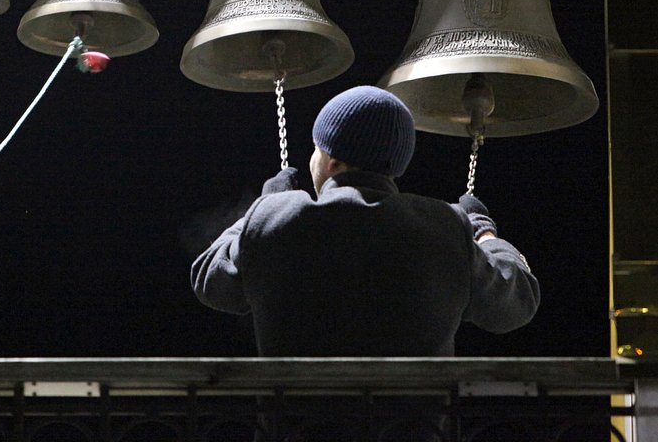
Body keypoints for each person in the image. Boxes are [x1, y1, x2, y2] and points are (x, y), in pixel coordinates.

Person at [191, 85, 540, 439]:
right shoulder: (443, 226)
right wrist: (483, 232)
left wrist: (264, 206)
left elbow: (209, 280)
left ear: (332, 162)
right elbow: (518, 303)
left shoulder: (278, 217)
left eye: (316, 147)